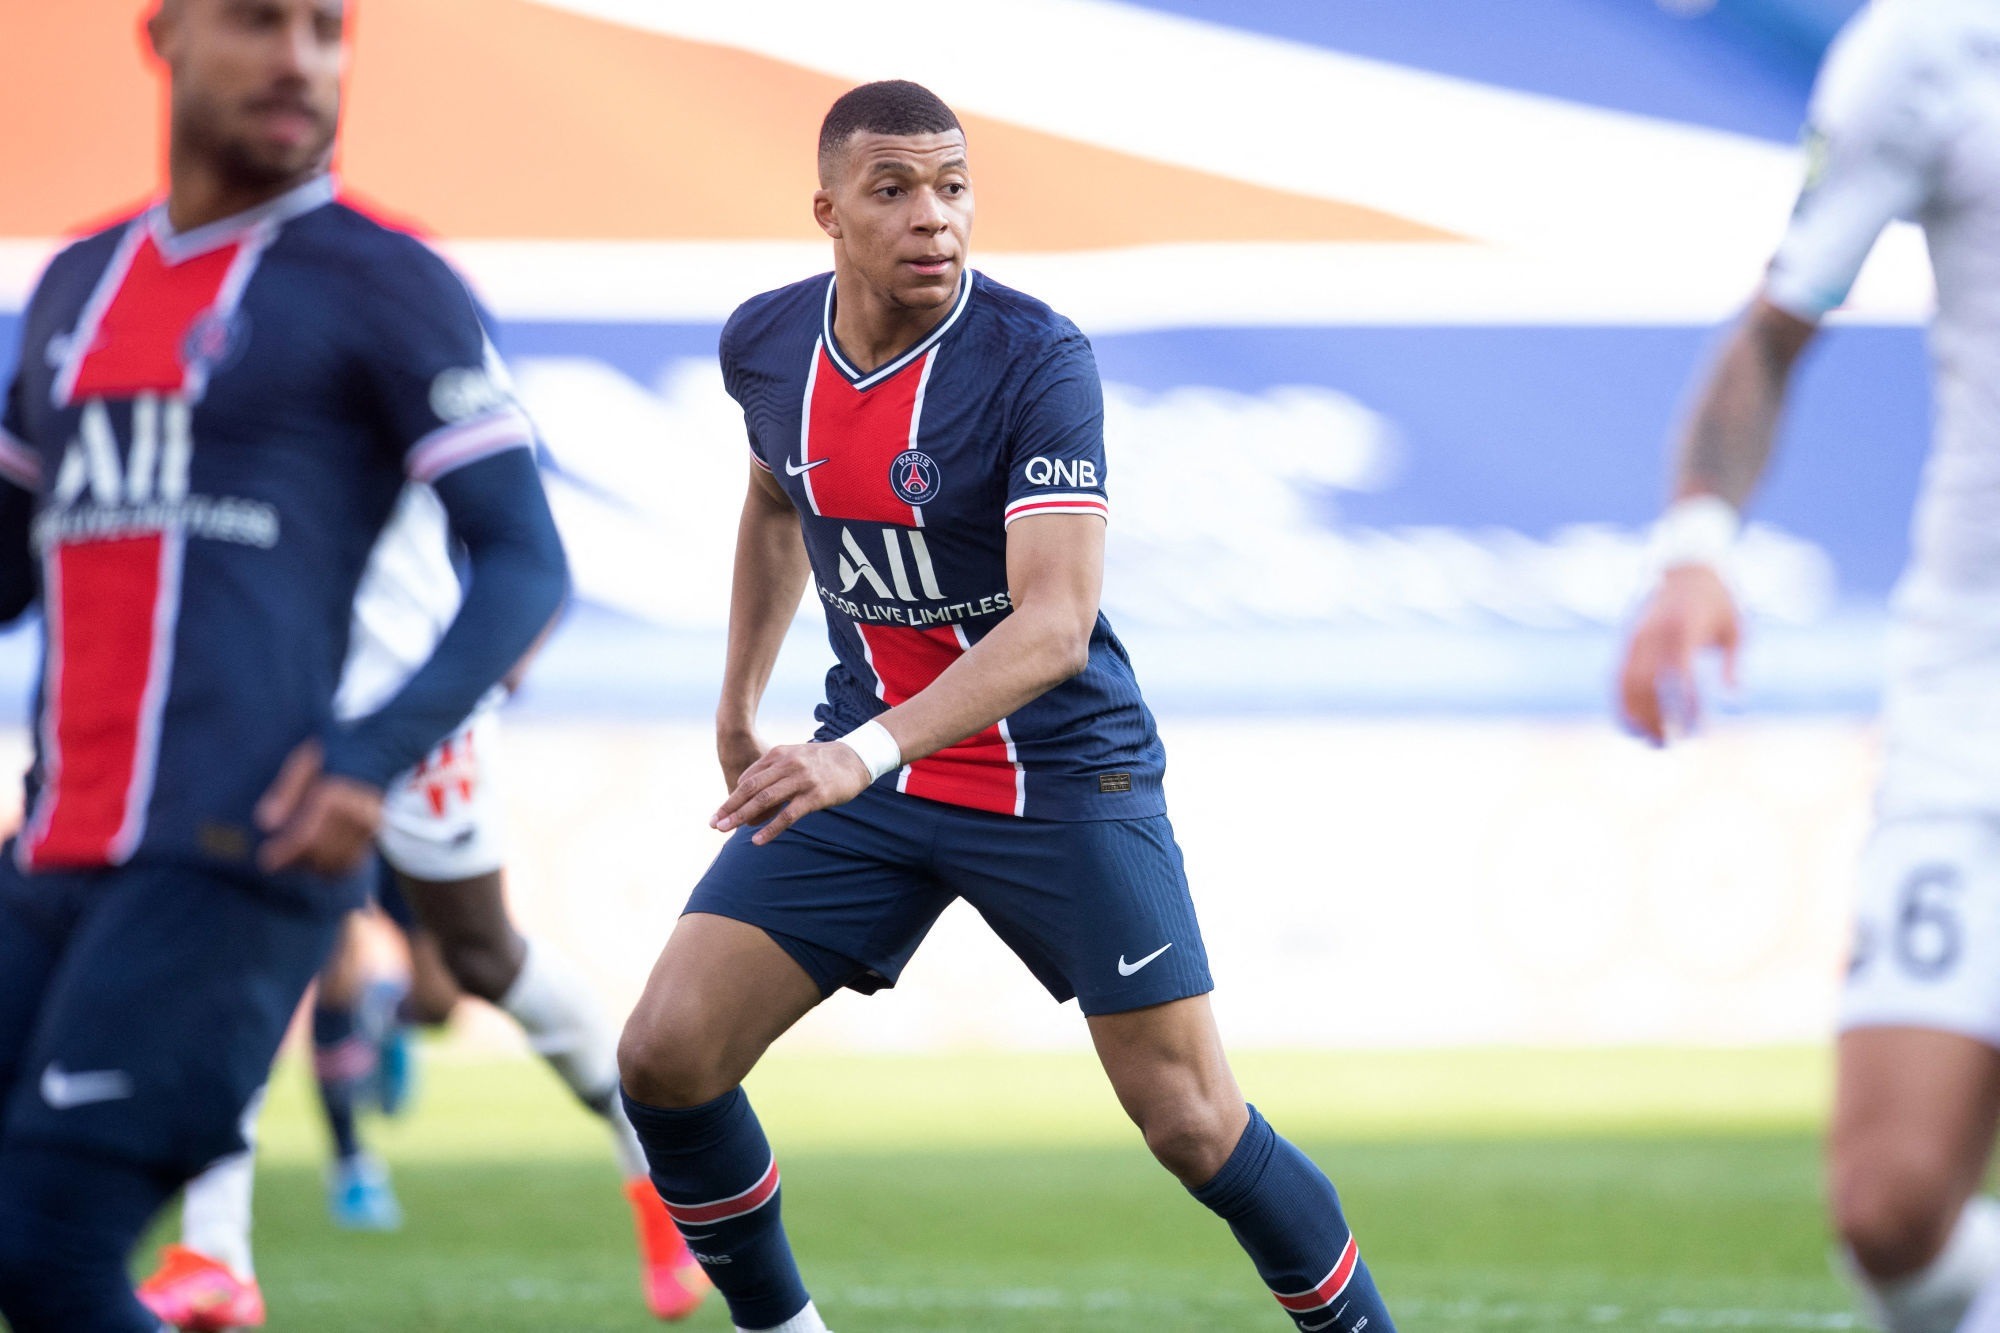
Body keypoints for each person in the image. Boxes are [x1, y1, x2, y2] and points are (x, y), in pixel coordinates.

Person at [615, 79, 1398, 1333]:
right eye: (892, 190)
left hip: (1057, 772)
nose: (932, 216)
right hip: (877, 770)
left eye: (952, 186)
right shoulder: (765, 344)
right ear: (828, 211)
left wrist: (855, 755)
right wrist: (736, 705)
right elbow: (773, 499)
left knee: (1191, 1121)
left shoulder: (1035, 358)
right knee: (664, 1056)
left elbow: (1052, 625)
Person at [0, 0, 575, 1326]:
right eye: (260, 21)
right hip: (56, 852)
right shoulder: (79, 283)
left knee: (48, 1250)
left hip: (236, 858)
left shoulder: (383, 279)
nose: (299, 60)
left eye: (326, 28)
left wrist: (369, 759)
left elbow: (525, 561)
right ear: (164, 36)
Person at [1617, 3, 2000, 1330]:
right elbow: (1774, 328)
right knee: (1890, 1211)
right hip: (1970, 690)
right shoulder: (1925, 46)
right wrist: (1694, 550)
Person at [137, 484, 710, 1325]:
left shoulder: (418, 387)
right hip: (269, 704)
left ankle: (660, 1183)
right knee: (237, 950)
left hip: (410, 701)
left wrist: (494, 651)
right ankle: (217, 1250)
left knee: (476, 959)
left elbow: (522, 539)